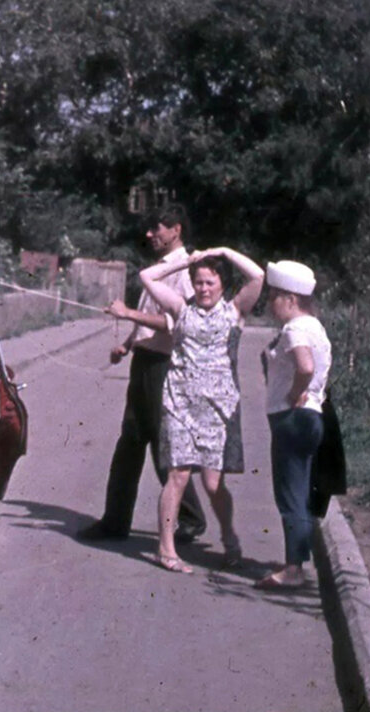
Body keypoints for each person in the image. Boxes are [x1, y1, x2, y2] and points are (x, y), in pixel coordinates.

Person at [77, 205, 207, 543]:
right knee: (131, 444)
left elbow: (176, 323)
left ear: (176, 230)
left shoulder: (184, 270)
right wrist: (129, 343)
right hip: (145, 362)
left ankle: (191, 519)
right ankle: (115, 522)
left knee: (161, 445)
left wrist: (127, 312)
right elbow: (152, 317)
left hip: (163, 368)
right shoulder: (160, 268)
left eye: (156, 228)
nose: (149, 235)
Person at [140, 246, 265, 573]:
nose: (203, 289)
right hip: (179, 404)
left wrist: (224, 251)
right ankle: (165, 549)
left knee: (213, 484)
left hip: (217, 410)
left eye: (210, 282)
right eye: (198, 282)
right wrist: (187, 261)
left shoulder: (235, 311)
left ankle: (229, 538)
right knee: (177, 476)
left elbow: (257, 276)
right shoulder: (181, 309)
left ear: (222, 284)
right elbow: (146, 276)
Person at [255, 260, 333, 590]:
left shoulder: (296, 328)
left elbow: (305, 365)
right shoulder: (317, 327)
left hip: (293, 418)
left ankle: (293, 569)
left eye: (274, 296)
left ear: (290, 299)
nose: (270, 303)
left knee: (290, 494)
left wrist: (294, 393)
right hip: (312, 417)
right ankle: (296, 561)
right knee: (298, 492)